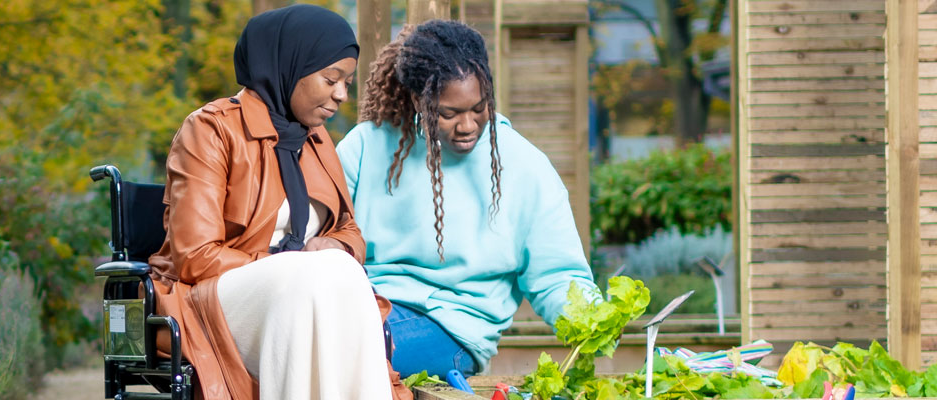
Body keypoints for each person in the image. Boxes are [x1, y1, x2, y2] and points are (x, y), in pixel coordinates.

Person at [148, 5, 407, 400]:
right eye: (330, 79)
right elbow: (194, 257)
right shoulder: (210, 129)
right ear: (290, 67)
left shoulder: (317, 140)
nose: (341, 94)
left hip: (300, 294)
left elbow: (350, 231)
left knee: (340, 270)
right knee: (309, 279)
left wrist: (334, 246)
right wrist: (293, 264)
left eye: (347, 82)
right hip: (209, 302)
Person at [336, 20, 599, 378]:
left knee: (350, 350)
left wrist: (594, 319)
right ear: (419, 99)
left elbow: (557, 275)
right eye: (449, 113)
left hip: (452, 329)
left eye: (479, 108)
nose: (468, 125)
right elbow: (326, 235)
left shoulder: (525, 166)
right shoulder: (365, 146)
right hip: (364, 306)